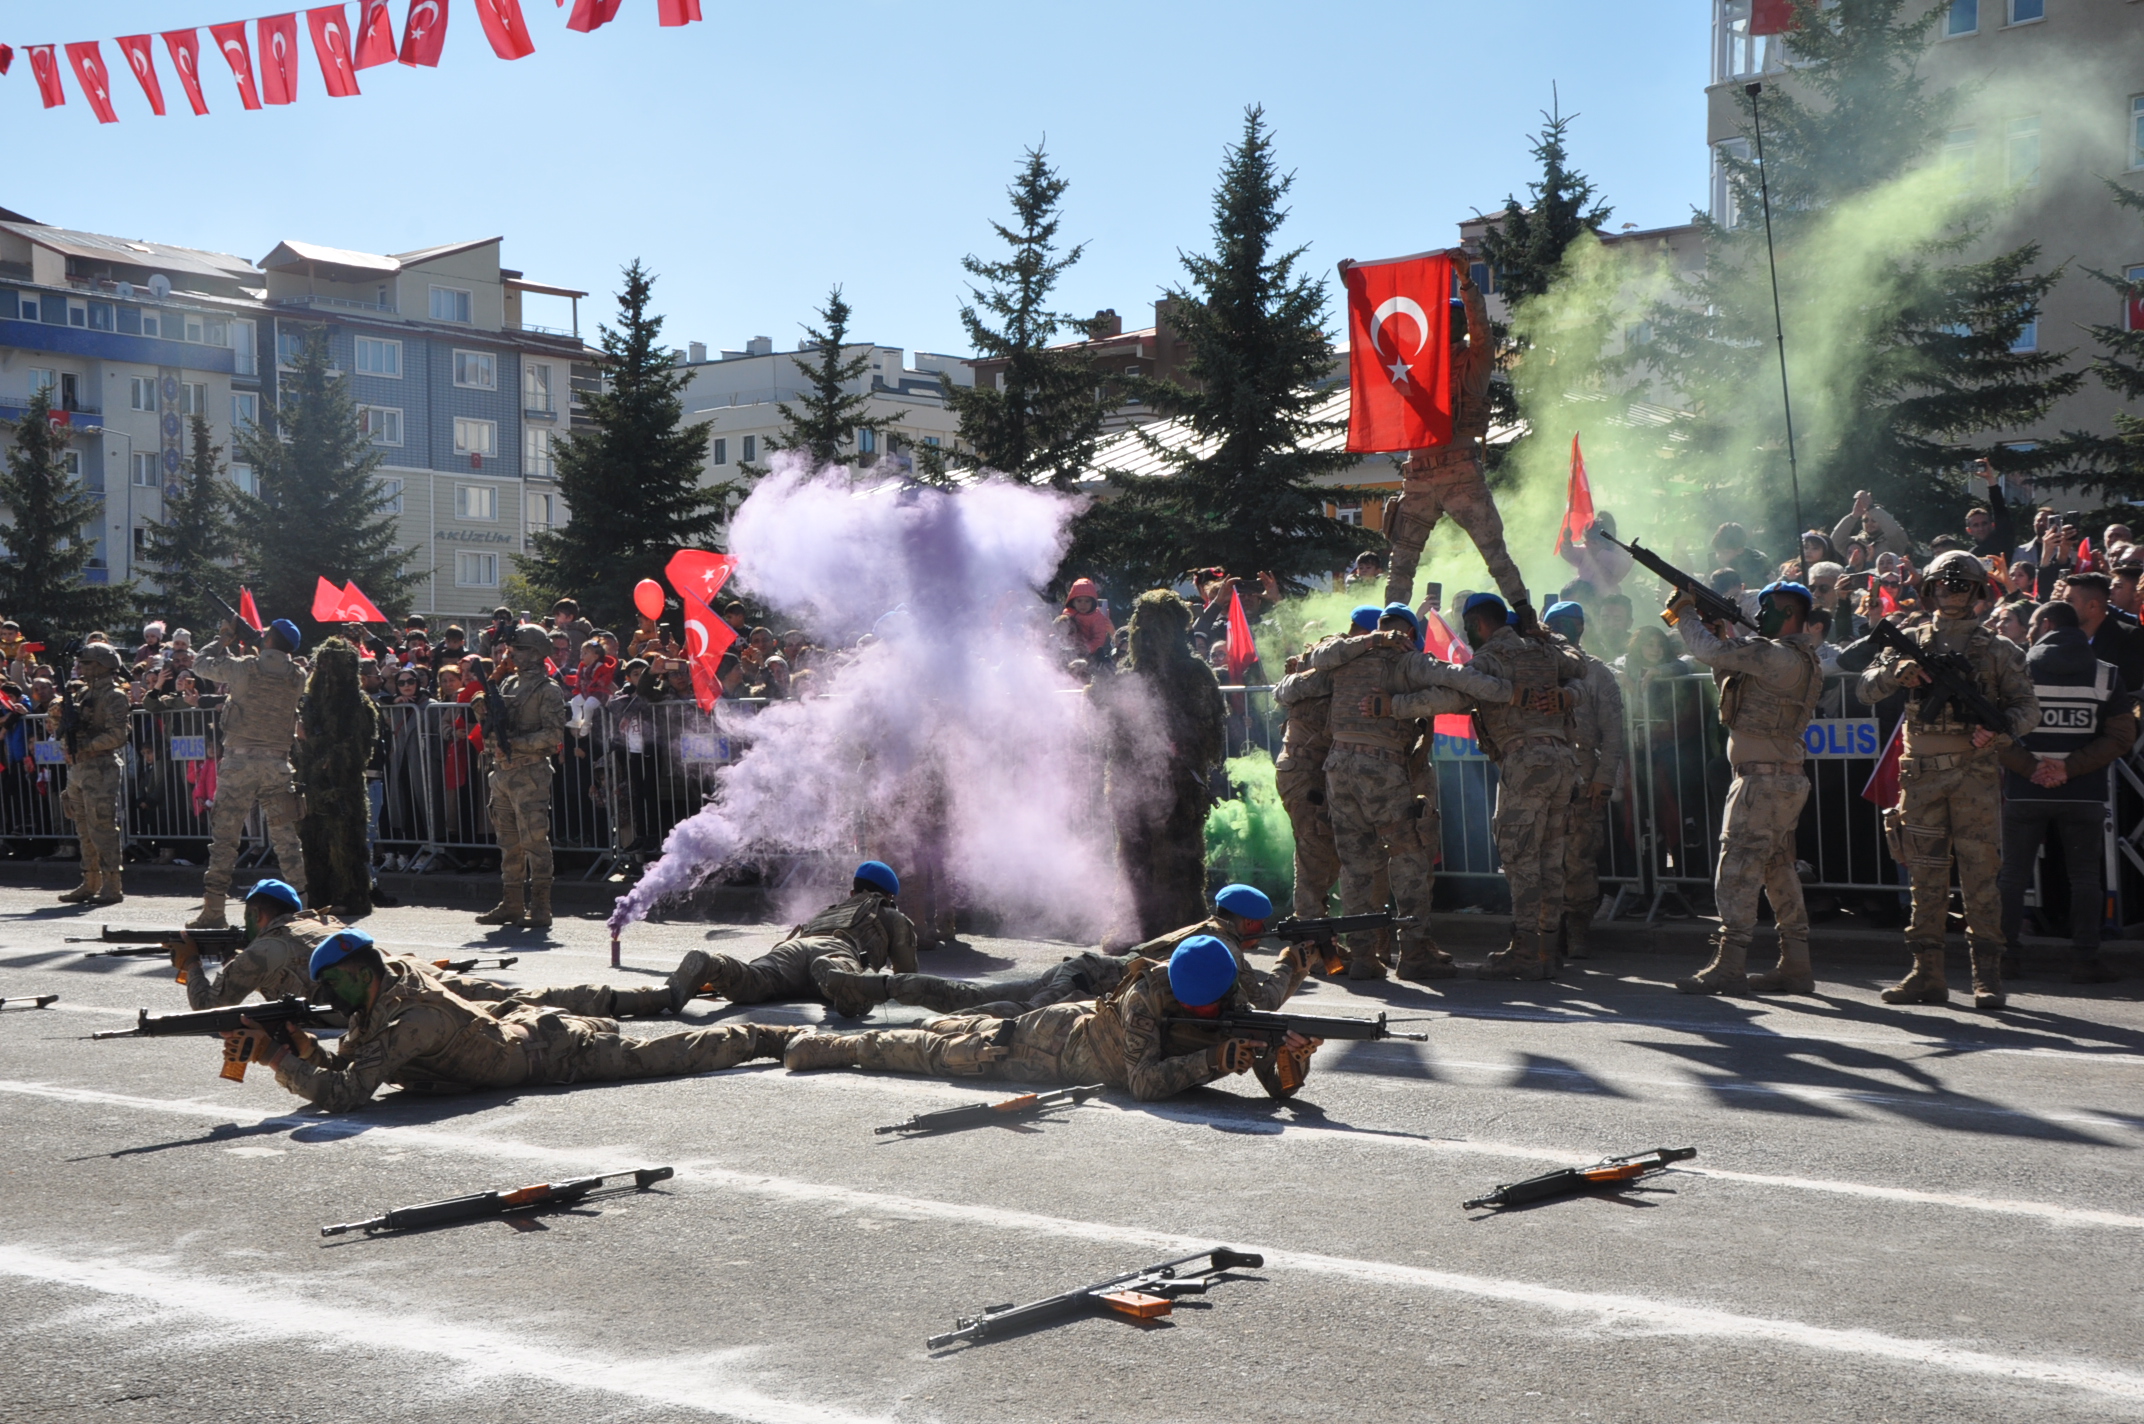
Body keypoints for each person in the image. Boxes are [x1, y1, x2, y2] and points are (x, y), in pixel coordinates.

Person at [232, 930, 799, 1112]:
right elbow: (347, 1065)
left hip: (552, 1049)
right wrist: (304, 1050)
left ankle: (760, 1036)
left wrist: (279, 1059)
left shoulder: (411, 1019)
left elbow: (350, 1091)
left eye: (331, 984)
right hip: (514, 1027)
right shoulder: (382, 995)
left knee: (657, 1058)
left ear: (358, 973)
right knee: (537, 996)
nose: (326, 996)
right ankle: (648, 998)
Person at [779, 934, 1323, 1102]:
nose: (1210, 1014)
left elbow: (1269, 1080)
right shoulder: (1146, 999)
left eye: (1214, 1007)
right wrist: (1214, 1059)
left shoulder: (1224, 989)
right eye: (1199, 1009)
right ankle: (834, 1048)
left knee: (948, 1029)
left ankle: (870, 1034)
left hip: (1079, 1020)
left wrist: (1287, 1060)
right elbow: (1141, 1082)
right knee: (939, 1050)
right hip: (1048, 1047)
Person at [1858, 550, 2037, 1010]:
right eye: (1943, 584)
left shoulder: (1999, 650)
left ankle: (1988, 976)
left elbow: (2027, 709)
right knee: (1925, 878)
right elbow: (1864, 686)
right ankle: (1926, 974)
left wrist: (1999, 729)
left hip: (1973, 777)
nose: (1950, 593)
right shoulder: (1908, 640)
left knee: (1981, 876)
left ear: (1977, 592)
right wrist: (1897, 672)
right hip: (1919, 777)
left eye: (1960, 585)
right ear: (1929, 589)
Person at [1308, 609, 1520, 980]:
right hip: (1381, 768)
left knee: (1355, 865)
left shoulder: (1344, 657)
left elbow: (1306, 673)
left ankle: (1362, 956)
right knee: (1408, 858)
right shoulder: (1407, 663)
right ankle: (1414, 952)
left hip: (1338, 768)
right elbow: (1459, 682)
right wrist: (1506, 692)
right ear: (1408, 632)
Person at [1388, 594, 1583, 980]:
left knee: (1521, 858)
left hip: (1526, 761)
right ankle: (1546, 948)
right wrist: (1552, 648)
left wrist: (1392, 705)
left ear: (1479, 625)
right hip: (1562, 760)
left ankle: (1526, 952)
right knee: (1550, 856)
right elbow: (1579, 668)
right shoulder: (1544, 652)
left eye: (1467, 628)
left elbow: (1453, 694)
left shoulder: (1490, 661)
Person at [1667, 582, 1824, 995]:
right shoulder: (1795, 658)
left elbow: (1709, 654)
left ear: (1789, 614)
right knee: (1777, 868)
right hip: (1779, 778)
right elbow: (1729, 673)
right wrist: (1719, 633)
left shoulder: (1774, 653)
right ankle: (1796, 962)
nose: (1760, 616)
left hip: (1762, 780)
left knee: (1736, 869)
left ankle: (1730, 964)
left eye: (1768, 609)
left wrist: (1684, 612)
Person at [1380, 263, 1532, 621]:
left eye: (1457, 319)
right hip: (1418, 475)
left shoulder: (1472, 363)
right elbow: (1382, 347)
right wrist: (1357, 295)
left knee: (1494, 552)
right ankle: (1389, 624)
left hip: (1458, 471)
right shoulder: (1418, 366)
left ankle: (1526, 616)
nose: (1451, 324)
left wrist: (1467, 283)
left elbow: (1484, 333)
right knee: (1402, 561)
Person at [1997, 601, 2135, 989]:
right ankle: (2085, 960)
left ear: (2044, 624)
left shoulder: (2018, 671)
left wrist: (2032, 768)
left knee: (2012, 875)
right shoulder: (2106, 675)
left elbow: (1994, 732)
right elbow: (2122, 737)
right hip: (2084, 794)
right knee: (2085, 878)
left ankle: (2005, 958)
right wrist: (2069, 768)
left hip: (2025, 791)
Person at [1089, 591, 1225, 941]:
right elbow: (1109, 722)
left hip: (1180, 781)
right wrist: (1100, 690)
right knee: (1135, 855)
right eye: (1143, 623)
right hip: (1128, 781)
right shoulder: (1127, 674)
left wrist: (1181, 744)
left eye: (1158, 623)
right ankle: (1138, 929)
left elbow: (1211, 731)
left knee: (1180, 857)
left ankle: (1181, 931)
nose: (1148, 632)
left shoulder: (1194, 673)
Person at [665, 861, 919, 1019]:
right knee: (855, 986)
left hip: (793, 947)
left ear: (852, 892)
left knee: (754, 980)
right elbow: (907, 975)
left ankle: (715, 965)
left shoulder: (831, 909)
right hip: (836, 949)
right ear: (888, 896)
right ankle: (836, 975)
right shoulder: (889, 914)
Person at [188, 619, 309, 929]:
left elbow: (200, 664)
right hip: (277, 764)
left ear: (267, 638)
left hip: (239, 764)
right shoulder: (298, 674)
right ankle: (304, 908)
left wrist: (223, 639)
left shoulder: (243, 668)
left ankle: (214, 910)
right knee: (286, 839)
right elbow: (276, 667)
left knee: (226, 839)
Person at [1271, 610, 1379, 932]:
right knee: (1315, 855)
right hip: (1305, 770)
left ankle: (1318, 940)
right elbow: (1287, 690)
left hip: (1309, 769)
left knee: (1321, 853)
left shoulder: (1330, 660)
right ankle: (1310, 942)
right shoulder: (1336, 656)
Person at [1542, 602, 1626, 962]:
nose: (1563, 631)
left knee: (1579, 859)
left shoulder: (1597, 674)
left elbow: (1614, 733)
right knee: (1541, 857)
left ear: (1581, 628)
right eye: (1555, 625)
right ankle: (1545, 931)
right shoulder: (1535, 670)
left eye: (1569, 624)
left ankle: (1577, 930)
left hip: (1583, 777)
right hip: (1541, 778)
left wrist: (1604, 779)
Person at [473, 625, 571, 930]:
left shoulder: (548, 690)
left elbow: (553, 735)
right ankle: (512, 902)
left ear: (537, 653)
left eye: (520, 649)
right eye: (512, 649)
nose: (512, 653)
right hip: (502, 773)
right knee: (508, 843)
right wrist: (482, 703)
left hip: (530, 773)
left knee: (534, 841)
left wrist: (514, 744)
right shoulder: (507, 683)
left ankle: (541, 905)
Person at [294, 638, 378, 918]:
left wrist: (317, 744)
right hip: (311, 785)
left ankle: (351, 898)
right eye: (322, 666)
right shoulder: (312, 703)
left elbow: (356, 748)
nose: (325, 674)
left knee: (344, 844)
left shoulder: (357, 704)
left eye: (333, 667)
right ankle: (319, 896)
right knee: (313, 842)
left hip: (342, 788)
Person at [173, 879, 343, 1008]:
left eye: (247, 918)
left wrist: (192, 963)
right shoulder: (326, 923)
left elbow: (207, 1007)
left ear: (256, 914)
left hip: (332, 1014)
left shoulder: (263, 950)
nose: (245, 927)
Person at [55, 643, 133, 906]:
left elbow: (118, 735)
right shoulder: (83, 693)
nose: (82, 667)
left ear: (102, 666)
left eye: (87, 663)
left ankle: (112, 884)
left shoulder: (114, 696)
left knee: (102, 827)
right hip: (79, 768)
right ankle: (90, 881)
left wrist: (87, 745)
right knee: (84, 828)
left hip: (100, 767)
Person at [2061, 572, 2144, 692]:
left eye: (2069, 601)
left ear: (2092, 606)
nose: (2063, 607)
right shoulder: (2061, 637)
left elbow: (2130, 688)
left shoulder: (2128, 638)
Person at [1831, 490, 1911, 562]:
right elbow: (1835, 541)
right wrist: (1854, 516)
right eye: (1865, 520)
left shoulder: (1894, 542)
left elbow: (1894, 531)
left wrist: (1871, 508)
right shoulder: (1856, 542)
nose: (1869, 523)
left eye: (1874, 520)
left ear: (1881, 520)